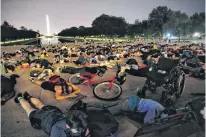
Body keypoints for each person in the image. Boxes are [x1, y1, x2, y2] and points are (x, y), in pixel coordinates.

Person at [14, 92, 89, 137]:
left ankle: (29, 97)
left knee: (40, 105)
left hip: (54, 112)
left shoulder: (76, 120)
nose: (82, 130)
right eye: (78, 130)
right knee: (29, 109)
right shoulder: (57, 132)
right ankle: (20, 98)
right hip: (41, 118)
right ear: (67, 126)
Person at [86, 95, 174, 124]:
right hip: (128, 105)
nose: (164, 118)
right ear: (166, 112)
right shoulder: (155, 110)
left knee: (104, 105)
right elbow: (146, 121)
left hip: (129, 99)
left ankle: (87, 105)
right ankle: (86, 114)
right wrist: (155, 121)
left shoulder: (159, 106)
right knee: (107, 113)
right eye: (166, 117)